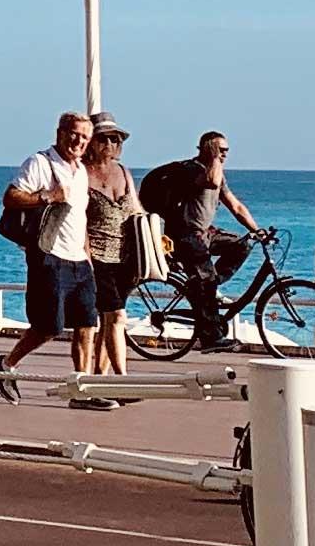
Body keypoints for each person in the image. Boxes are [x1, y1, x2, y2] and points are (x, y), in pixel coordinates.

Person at [0, 115, 96, 398]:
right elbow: (11, 197)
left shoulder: (81, 171)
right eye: (74, 134)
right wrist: (48, 196)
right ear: (60, 133)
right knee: (49, 327)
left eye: (84, 138)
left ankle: (81, 389)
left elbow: (79, 215)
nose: (78, 142)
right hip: (49, 256)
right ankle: (7, 363)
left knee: (87, 326)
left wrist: (87, 254)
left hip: (79, 261)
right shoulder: (40, 162)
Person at [140, 131, 261, 348]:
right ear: (208, 149)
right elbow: (211, 182)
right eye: (220, 150)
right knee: (205, 283)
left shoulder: (217, 173)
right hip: (185, 236)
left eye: (226, 151)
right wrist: (214, 158)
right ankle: (210, 338)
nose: (225, 154)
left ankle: (211, 288)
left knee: (242, 244)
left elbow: (235, 206)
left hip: (206, 233)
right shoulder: (191, 170)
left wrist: (257, 230)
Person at [82, 122, 147, 377]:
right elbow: (78, 220)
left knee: (110, 323)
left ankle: (101, 379)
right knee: (117, 317)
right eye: (104, 139)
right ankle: (122, 379)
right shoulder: (82, 174)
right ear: (91, 142)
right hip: (96, 257)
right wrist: (85, 258)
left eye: (115, 140)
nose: (110, 145)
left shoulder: (123, 172)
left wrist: (155, 239)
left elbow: (137, 210)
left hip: (126, 258)